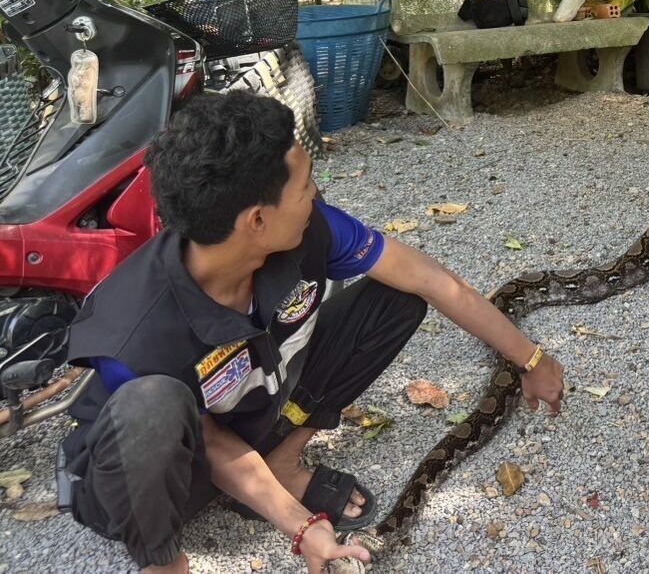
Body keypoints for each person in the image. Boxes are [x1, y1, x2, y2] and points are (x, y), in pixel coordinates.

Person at [59, 92, 566, 574]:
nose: (316, 194)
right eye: (305, 185)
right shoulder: (133, 332)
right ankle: (160, 559)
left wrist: (531, 358)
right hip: (157, 475)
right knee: (152, 405)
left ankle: (281, 460)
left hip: (247, 408)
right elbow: (210, 447)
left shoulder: (307, 230)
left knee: (396, 298)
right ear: (257, 219)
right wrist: (303, 527)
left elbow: (429, 279)